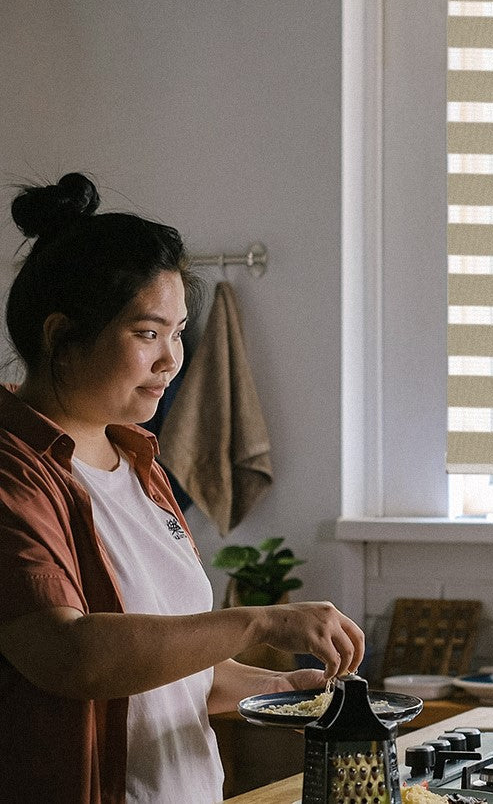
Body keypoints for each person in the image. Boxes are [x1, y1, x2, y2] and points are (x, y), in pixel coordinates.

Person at [0, 173, 365, 804]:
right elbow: (71, 656)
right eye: (148, 333)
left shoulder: (139, 461)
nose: (173, 360)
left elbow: (166, 670)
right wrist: (256, 622)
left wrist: (280, 689)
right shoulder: (16, 470)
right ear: (60, 336)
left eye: (177, 332)